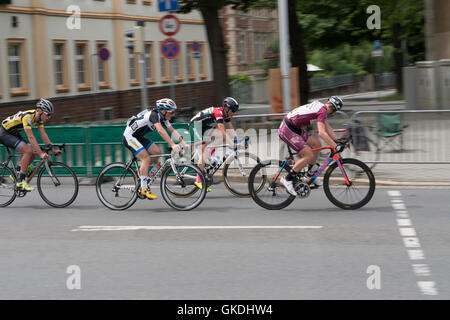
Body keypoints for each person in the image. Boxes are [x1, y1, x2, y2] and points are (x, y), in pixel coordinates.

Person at [122, 98, 187, 200]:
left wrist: (184, 143)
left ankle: (143, 175)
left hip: (138, 137)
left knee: (157, 152)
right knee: (146, 158)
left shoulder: (163, 117)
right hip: (129, 136)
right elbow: (160, 130)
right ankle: (144, 188)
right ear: (163, 111)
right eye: (172, 112)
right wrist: (173, 145)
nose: (173, 114)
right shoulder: (153, 115)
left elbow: (172, 130)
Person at [279, 96, 344, 195]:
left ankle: (309, 175)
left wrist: (337, 141)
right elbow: (322, 133)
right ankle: (287, 179)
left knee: (316, 144)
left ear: (327, 101)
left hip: (293, 127)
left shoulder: (321, 107)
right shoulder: (322, 111)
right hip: (288, 129)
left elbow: (328, 128)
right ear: (334, 112)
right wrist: (335, 146)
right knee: (308, 155)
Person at [0, 98, 62, 191]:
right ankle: (20, 181)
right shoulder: (28, 117)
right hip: (4, 133)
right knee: (28, 150)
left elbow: (43, 135)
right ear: (40, 111)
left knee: (32, 153)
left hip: (13, 133)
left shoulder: (39, 120)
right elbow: (31, 137)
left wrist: (53, 150)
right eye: (48, 114)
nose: (49, 117)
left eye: (50, 115)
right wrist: (41, 154)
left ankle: (18, 172)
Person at [188, 97, 240, 192]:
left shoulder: (225, 114)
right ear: (227, 108)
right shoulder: (218, 113)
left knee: (218, 136)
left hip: (203, 127)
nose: (234, 113)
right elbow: (223, 131)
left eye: (235, 110)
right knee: (204, 151)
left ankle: (208, 159)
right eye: (233, 110)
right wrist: (232, 144)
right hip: (195, 126)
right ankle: (198, 180)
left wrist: (237, 140)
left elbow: (230, 128)